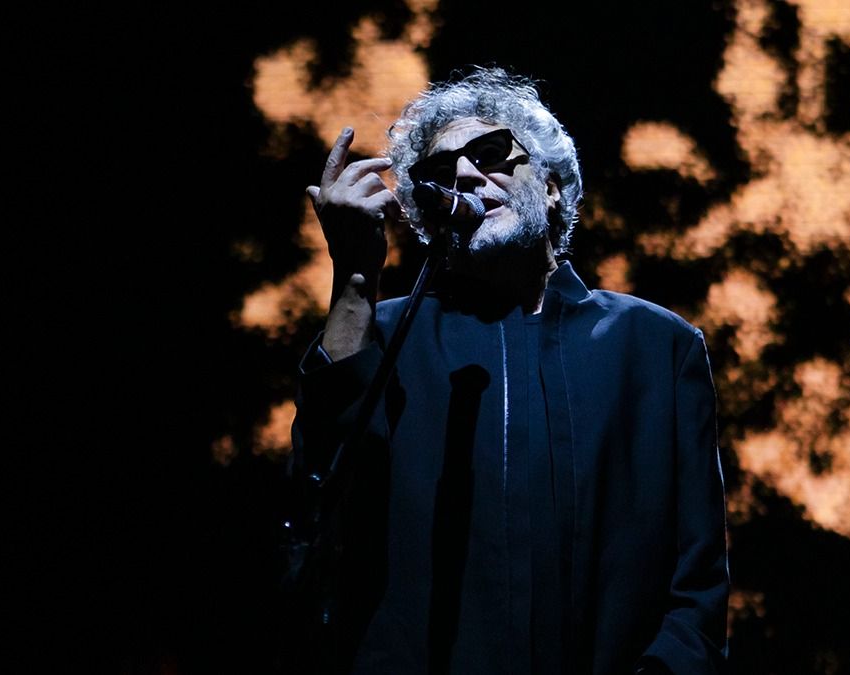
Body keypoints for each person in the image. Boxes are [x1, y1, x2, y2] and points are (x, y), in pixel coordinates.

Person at [291, 67, 728, 675]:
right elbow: (323, 506)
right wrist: (354, 277)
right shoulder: (381, 335)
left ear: (550, 187)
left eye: (492, 153)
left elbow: (697, 588)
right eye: (439, 173)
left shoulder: (656, 346)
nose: (466, 176)